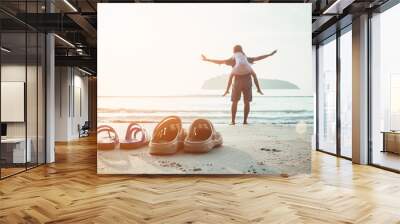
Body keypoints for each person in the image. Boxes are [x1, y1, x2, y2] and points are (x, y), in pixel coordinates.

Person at [202, 45, 277, 125]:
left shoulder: (232, 59)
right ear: (241, 50)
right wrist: (269, 55)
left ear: (234, 51)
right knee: (247, 102)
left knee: (234, 101)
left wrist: (207, 59)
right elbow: (258, 58)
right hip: (247, 79)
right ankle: (245, 121)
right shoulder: (246, 58)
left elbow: (220, 61)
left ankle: (233, 121)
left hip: (237, 80)